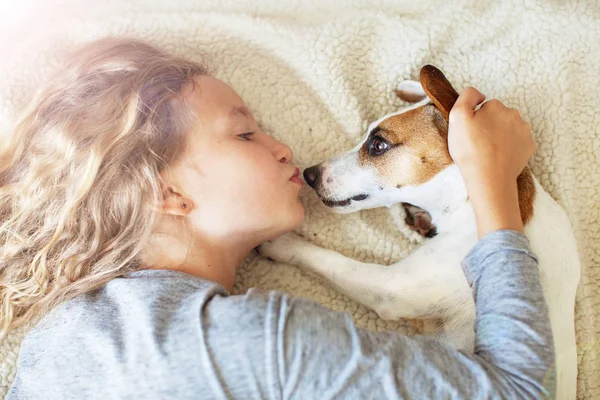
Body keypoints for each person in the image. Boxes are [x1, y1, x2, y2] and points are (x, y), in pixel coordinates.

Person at [1, 38, 552, 400]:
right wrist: (495, 184)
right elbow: (522, 391)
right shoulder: (255, 339)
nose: (286, 147)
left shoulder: (57, 341)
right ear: (164, 190)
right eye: (245, 134)